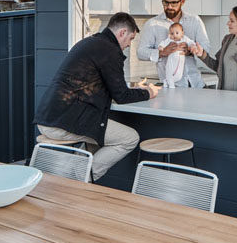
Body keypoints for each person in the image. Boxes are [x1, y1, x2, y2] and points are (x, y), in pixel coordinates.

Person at [34, 12, 159, 182]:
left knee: (95, 139)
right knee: (130, 138)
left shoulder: (90, 42)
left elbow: (104, 85)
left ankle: (78, 176)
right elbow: (121, 96)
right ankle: (80, 177)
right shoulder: (110, 50)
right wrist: (149, 92)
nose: (129, 45)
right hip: (62, 123)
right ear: (122, 33)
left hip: (50, 117)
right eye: (130, 39)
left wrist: (133, 88)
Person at [137, 0, 210, 88]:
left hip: (196, 84)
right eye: (165, 2)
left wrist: (190, 50)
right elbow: (141, 52)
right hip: (172, 87)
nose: (169, 7)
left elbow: (206, 47)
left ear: (182, 1)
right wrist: (162, 52)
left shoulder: (195, 21)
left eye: (174, 3)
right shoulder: (152, 24)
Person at [158, 21, 196, 88]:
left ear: (182, 33)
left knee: (178, 76)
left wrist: (192, 46)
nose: (174, 35)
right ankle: (171, 86)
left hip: (180, 61)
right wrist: (161, 47)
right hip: (171, 60)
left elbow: (191, 42)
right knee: (169, 72)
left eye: (177, 33)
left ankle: (166, 81)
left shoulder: (184, 39)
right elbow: (162, 43)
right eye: (172, 33)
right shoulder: (169, 40)